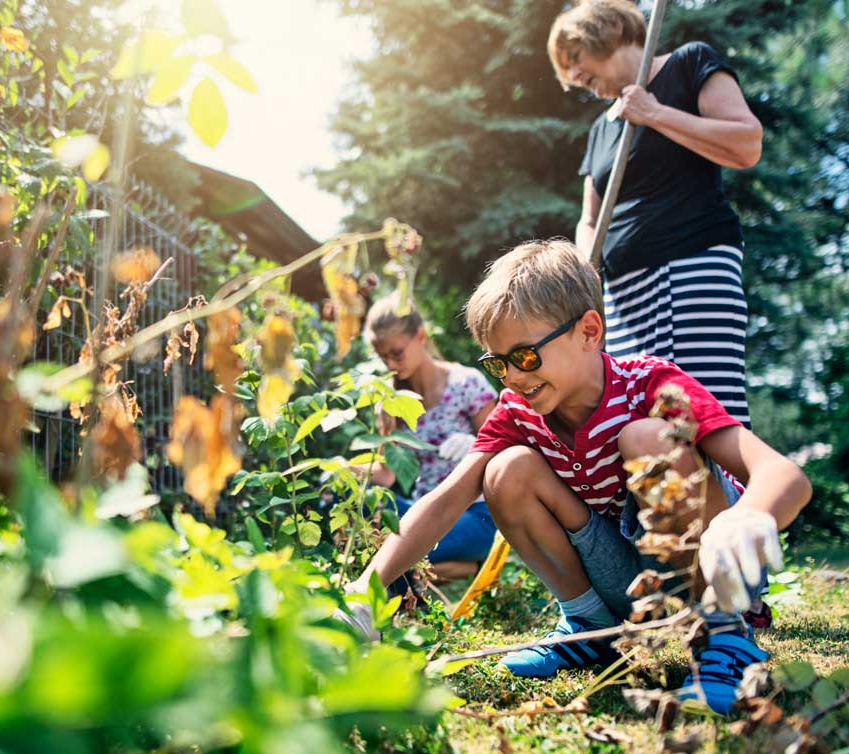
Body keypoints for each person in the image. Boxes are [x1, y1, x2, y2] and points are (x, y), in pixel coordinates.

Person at [340, 240, 810, 714]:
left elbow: (783, 474)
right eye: (497, 363)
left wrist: (747, 518)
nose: (512, 378)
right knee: (504, 471)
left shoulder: (651, 385)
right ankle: (589, 626)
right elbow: (445, 500)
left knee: (644, 439)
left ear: (589, 331)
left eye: (524, 356)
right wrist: (366, 589)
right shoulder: (518, 413)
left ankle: (727, 634)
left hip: (713, 561)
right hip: (627, 578)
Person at [549, 0, 763, 429]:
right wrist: (584, 278)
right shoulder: (602, 127)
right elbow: (589, 219)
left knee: (704, 415)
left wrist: (654, 114)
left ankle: (736, 495)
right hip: (624, 294)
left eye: (575, 60)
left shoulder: (689, 63)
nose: (574, 79)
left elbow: (746, 143)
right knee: (644, 423)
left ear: (605, 31)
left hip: (692, 264)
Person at [361, 292, 499, 583]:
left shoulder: (465, 383)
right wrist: (339, 473)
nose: (390, 364)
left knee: (387, 555)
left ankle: (402, 568)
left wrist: (475, 446)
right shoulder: (392, 402)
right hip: (420, 513)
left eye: (396, 353)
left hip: (473, 512)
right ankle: (458, 569)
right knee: (358, 505)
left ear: (420, 336)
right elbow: (387, 475)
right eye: (382, 356)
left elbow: (508, 449)